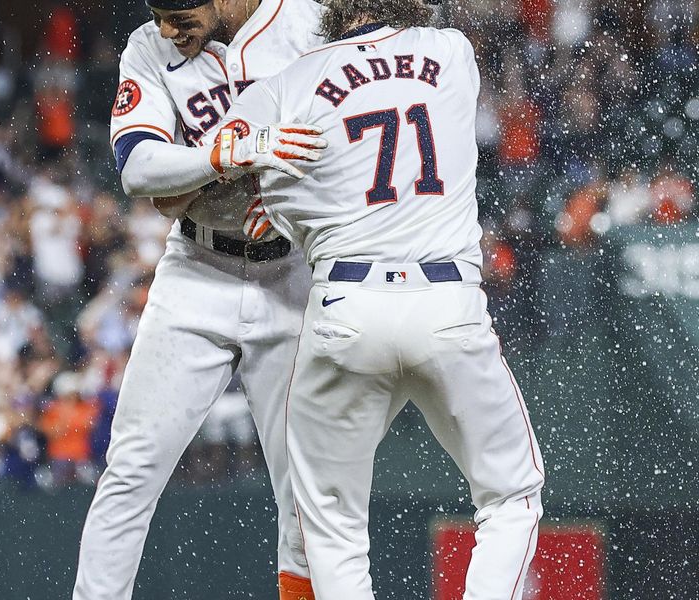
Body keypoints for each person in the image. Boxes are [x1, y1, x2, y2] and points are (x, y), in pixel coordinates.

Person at [221, 0, 546, 598]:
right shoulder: (452, 52)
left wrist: (279, 203)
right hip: (446, 303)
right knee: (510, 496)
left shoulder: (286, 85)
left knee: (332, 526)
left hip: (344, 307)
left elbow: (226, 157)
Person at [73, 1, 326, 598]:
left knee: (307, 490)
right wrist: (223, 157)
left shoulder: (310, 22)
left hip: (294, 274)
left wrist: (299, 200)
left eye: (179, 10)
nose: (166, 27)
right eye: (156, 10)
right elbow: (137, 166)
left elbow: (353, 131)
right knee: (131, 468)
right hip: (196, 269)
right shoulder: (147, 48)